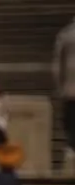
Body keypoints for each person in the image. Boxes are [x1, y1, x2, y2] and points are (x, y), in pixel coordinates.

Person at [54, 17, 75, 156]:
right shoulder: (66, 34)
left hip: (71, 89)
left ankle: (71, 148)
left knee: (71, 121)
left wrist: (60, 87)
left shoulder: (66, 34)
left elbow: (58, 64)